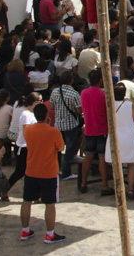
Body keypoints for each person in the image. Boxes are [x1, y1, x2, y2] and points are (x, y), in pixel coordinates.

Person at [20, 103, 66, 244]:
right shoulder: (53, 131)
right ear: (47, 115)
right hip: (48, 172)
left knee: (27, 201)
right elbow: (61, 148)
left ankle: (25, 230)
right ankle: (50, 234)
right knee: (50, 203)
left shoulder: (28, 130)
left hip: (32, 171)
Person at [104, 84, 134, 199]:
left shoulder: (110, 105)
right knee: (131, 163)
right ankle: (130, 189)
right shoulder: (130, 105)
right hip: (128, 134)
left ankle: (119, 187)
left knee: (116, 163)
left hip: (115, 134)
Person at [79, 70, 111, 195]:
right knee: (102, 158)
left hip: (89, 129)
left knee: (88, 156)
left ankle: (83, 183)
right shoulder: (104, 94)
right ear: (100, 80)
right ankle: (104, 186)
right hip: (102, 129)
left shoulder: (84, 93)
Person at [49, 71, 82, 181]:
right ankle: (66, 172)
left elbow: (52, 107)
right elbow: (78, 110)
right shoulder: (74, 94)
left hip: (58, 124)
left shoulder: (55, 92)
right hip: (71, 124)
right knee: (70, 149)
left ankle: (57, 169)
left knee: (58, 149)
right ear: (71, 80)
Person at [7, 92, 42, 195]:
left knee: (30, 172)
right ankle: (4, 190)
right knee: (20, 172)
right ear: (36, 102)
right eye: (41, 101)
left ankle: (35, 194)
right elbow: (27, 132)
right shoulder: (26, 114)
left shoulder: (31, 113)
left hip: (28, 147)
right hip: (24, 147)